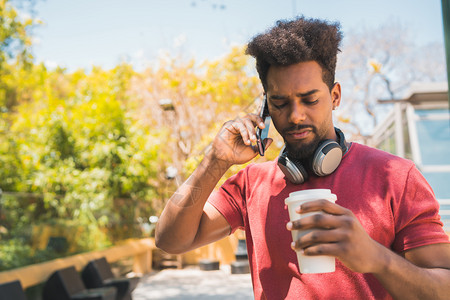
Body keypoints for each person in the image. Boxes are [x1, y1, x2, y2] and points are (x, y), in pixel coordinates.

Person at [155, 16, 450, 299]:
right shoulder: (251, 184)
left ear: (335, 96)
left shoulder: (396, 176)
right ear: (266, 108)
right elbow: (170, 240)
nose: (295, 116)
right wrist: (215, 161)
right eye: (280, 103)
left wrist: (379, 260)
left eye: (310, 100)